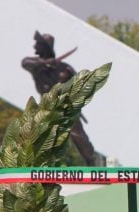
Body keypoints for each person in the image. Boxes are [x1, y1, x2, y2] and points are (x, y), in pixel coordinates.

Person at [22, 31, 96, 166]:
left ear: (45, 47)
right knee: (33, 133)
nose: (35, 47)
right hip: (46, 107)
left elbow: (80, 85)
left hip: (65, 108)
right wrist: (45, 62)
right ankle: (33, 164)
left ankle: (91, 162)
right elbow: (25, 62)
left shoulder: (64, 68)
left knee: (78, 136)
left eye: (38, 44)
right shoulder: (35, 65)